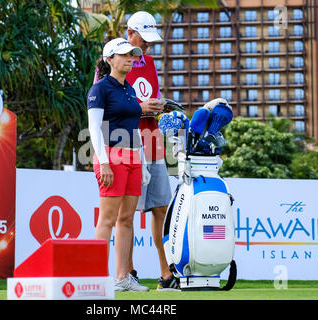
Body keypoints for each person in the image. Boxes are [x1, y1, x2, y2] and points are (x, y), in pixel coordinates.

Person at [87, 38, 150, 292]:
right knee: (108, 219)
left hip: (134, 157)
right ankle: (95, 278)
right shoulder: (100, 89)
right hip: (111, 157)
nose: (130, 59)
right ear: (109, 59)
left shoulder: (131, 90)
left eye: (132, 56)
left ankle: (122, 277)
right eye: (124, 55)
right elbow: (94, 128)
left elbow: (135, 128)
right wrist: (103, 162)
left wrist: (143, 162)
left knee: (126, 219)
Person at [125, 11, 179, 291]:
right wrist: (141, 107)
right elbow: (109, 105)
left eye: (149, 40)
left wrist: (159, 106)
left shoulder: (151, 62)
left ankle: (166, 275)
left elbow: (150, 96)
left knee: (161, 208)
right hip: (127, 142)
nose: (147, 45)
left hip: (153, 140)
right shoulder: (113, 60)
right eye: (143, 39)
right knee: (128, 212)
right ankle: (127, 273)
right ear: (129, 33)